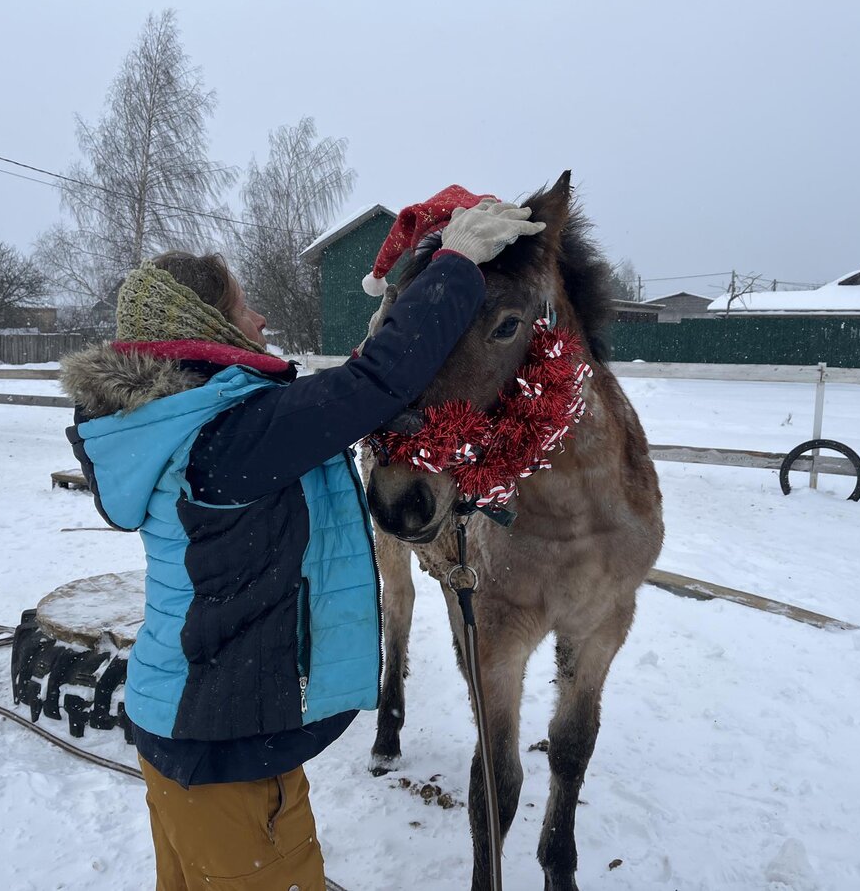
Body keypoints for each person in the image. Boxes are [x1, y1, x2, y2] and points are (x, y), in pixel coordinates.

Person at [60, 187, 544, 891]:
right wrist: (458, 266)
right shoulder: (226, 440)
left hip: (201, 729)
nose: (259, 318)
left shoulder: (178, 426)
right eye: (242, 307)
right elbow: (374, 382)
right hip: (219, 748)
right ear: (204, 324)